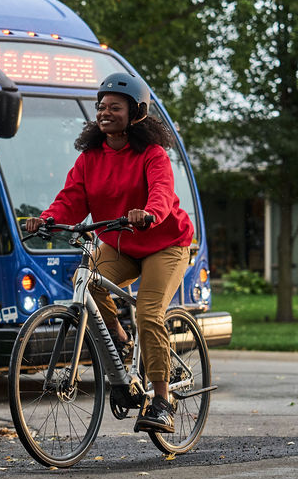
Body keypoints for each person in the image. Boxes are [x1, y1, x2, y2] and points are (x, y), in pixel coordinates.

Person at [24, 72, 194, 433]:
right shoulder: (90, 159)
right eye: (101, 107)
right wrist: (48, 219)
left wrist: (149, 214)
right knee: (86, 282)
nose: (104, 112)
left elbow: (161, 193)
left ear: (136, 114)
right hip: (120, 243)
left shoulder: (152, 154)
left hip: (165, 242)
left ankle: (163, 401)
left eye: (114, 107)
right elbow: (71, 200)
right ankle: (119, 336)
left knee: (149, 313)